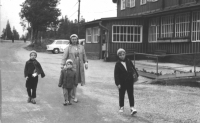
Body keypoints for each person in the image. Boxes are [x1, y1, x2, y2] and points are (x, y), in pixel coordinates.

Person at [61, 34, 88, 103]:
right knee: (73, 81)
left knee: (76, 82)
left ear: (77, 39)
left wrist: (86, 62)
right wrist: (62, 64)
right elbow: (64, 56)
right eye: (72, 39)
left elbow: (84, 55)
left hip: (79, 66)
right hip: (72, 67)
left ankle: (73, 94)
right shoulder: (68, 48)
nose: (74, 41)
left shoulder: (81, 47)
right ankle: (74, 95)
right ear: (70, 40)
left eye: (75, 39)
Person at [114, 48, 139, 115]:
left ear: (125, 54)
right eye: (120, 55)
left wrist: (136, 75)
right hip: (122, 82)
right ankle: (121, 106)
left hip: (130, 81)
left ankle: (132, 107)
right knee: (121, 95)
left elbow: (133, 68)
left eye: (123, 54)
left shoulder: (128, 61)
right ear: (118, 56)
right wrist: (118, 83)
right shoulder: (117, 64)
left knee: (131, 94)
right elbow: (116, 75)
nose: (122, 56)